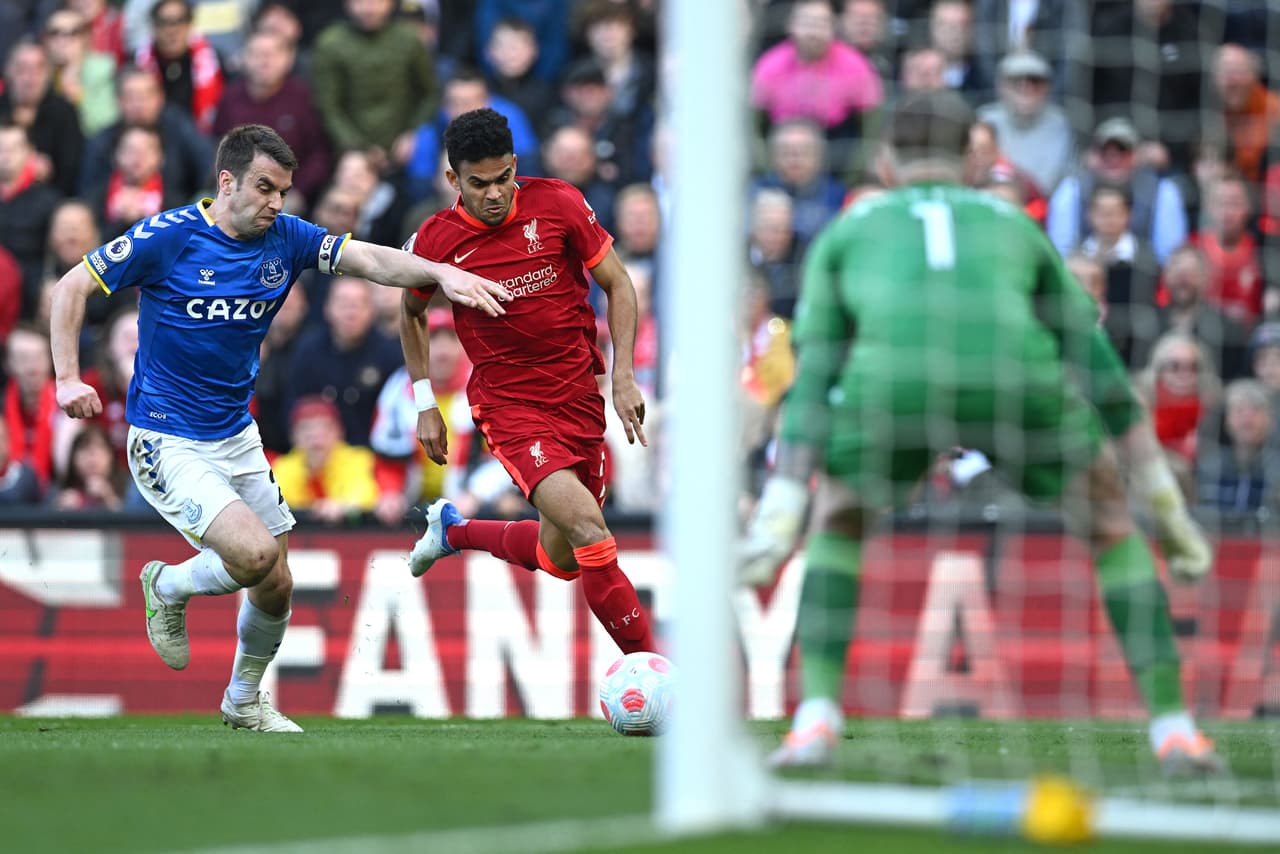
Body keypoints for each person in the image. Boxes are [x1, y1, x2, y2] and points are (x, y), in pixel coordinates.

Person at [740, 91, 1220, 774]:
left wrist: (784, 501)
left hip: (893, 387)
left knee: (838, 524)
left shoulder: (850, 228)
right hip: (1014, 379)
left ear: (883, 160)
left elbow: (813, 376)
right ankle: (1174, 728)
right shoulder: (1012, 221)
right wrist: (1165, 505)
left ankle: (815, 720)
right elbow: (1100, 367)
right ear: (974, 155)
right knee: (1113, 526)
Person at [49, 123, 511, 732]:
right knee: (254, 555)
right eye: (264, 188)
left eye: (284, 191)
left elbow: (366, 257)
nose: (275, 203)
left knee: (277, 584)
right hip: (166, 435)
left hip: (235, 434)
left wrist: (438, 274)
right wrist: (66, 378)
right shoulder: (170, 236)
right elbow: (71, 285)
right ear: (226, 182)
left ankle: (243, 700)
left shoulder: (287, 237)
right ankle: (168, 585)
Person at [401, 107, 657, 659]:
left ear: (515, 165)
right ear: (454, 181)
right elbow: (411, 313)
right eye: (478, 184)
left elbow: (618, 283)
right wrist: (425, 402)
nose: (494, 194)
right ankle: (656, 673)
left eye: (502, 179)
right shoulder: (436, 239)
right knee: (591, 531)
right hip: (511, 408)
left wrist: (624, 375)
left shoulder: (559, 203)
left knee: (562, 559)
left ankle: (454, 532)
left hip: (579, 399)